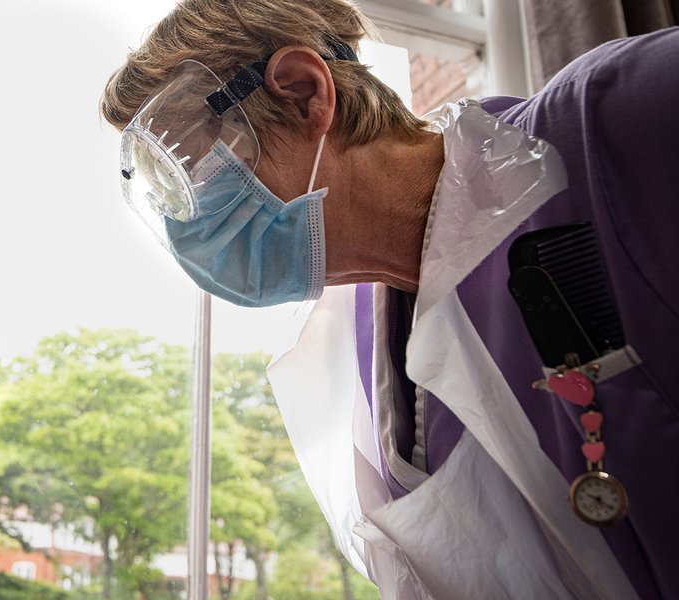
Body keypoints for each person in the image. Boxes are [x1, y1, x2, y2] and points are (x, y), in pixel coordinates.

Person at [101, 1, 678, 598]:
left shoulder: (615, 118)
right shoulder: (356, 365)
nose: (185, 224)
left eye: (190, 171)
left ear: (304, 93)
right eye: (162, 190)